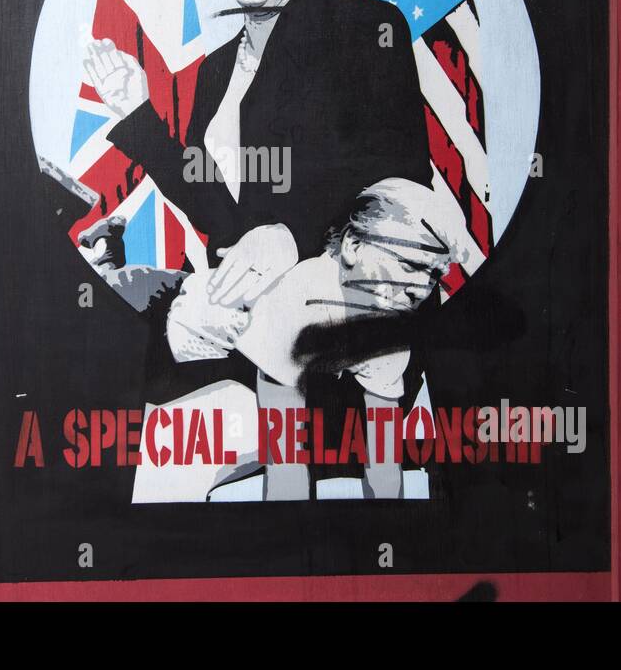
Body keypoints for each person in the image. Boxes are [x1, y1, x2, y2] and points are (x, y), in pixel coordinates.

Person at [84, 0, 431, 312]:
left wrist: (292, 235)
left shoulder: (366, 28)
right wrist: (138, 114)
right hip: (238, 305)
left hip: (348, 311)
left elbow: (397, 173)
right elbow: (210, 203)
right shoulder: (217, 70)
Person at [159, 178, 463, 500]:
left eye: (433, 275)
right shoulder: (301, 300)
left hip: (253, 357)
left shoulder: (388, 319)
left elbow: (385, 464)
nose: (421, 288)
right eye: (410, 265)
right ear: (353, 246)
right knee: (245, 427)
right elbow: (286, 467)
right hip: (183, 330)